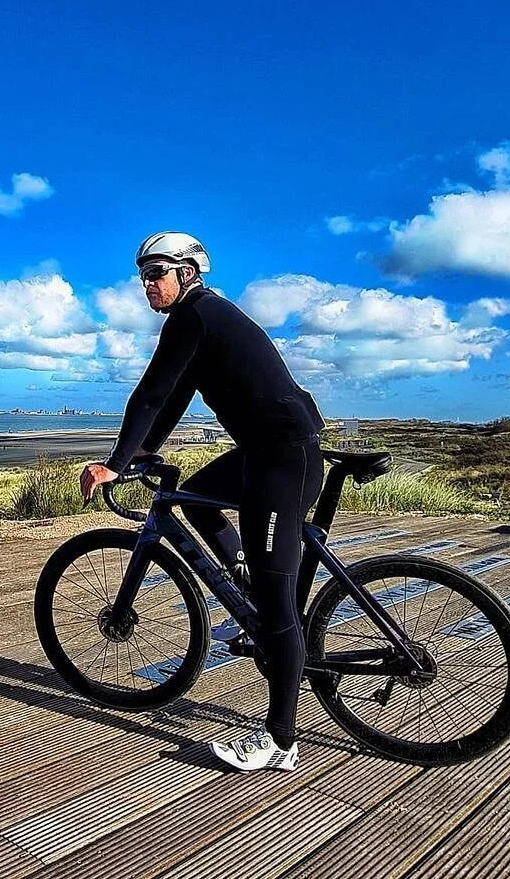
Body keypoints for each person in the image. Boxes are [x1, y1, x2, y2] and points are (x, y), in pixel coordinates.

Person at [79, 231, 325, 773]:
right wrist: (144, 451)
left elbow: (147, 393)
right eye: (143, 275)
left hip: (279, 462)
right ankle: (245, 582)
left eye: (157, 273)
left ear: (188, 272)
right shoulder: (204, 320)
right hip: (271, 452)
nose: (148, 284)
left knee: (279, 604)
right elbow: (172, 397)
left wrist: (115, 464)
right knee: (198, 498)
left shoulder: (194, 316)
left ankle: (280, 741)